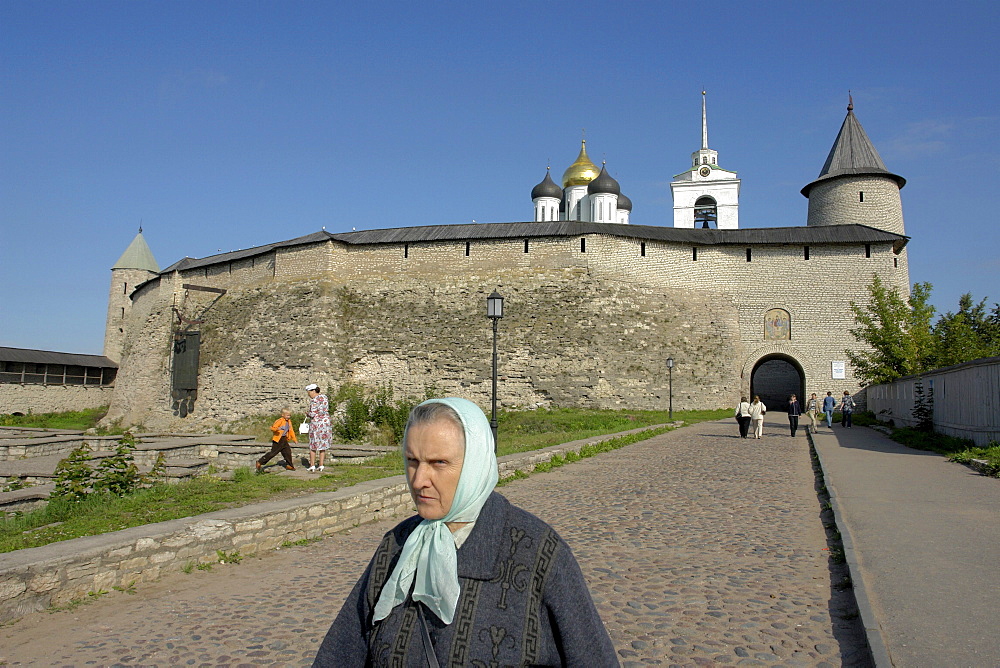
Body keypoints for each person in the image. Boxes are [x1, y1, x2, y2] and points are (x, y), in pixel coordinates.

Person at [313, 397, 618, 667]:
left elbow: (590, 655)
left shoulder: (540, 553)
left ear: (475, 465)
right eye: (412, 461)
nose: (419, 480)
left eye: (439, 463)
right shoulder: (396, 547)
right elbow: (342, 651)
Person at [304, 383, 332, 471]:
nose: (308, 394)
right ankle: (321, 465)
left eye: (309, 392)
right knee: (322, 444)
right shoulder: (324, 398)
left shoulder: (314, 400)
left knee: (313, 445)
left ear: (313, 391)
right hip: (325, 423)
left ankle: (312, 465)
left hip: (316, 425)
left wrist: (307, 414)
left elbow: (313, 413)